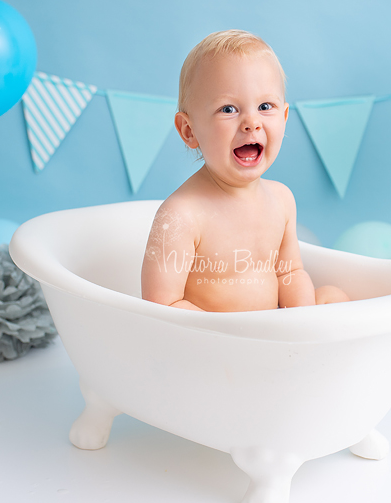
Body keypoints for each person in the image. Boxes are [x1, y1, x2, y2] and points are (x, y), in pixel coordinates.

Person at [141, 30, 349, 312]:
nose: (251, 122)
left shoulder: (281, 199)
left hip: (274, 334)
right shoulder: (180, 216)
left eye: (265, 106)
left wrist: (301, 319)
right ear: (189, 131)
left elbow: (289, 273)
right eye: (228, 109)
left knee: (332, 296)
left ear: (284, 117)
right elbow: (162, 306)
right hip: (217, 343)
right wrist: (227, 338)